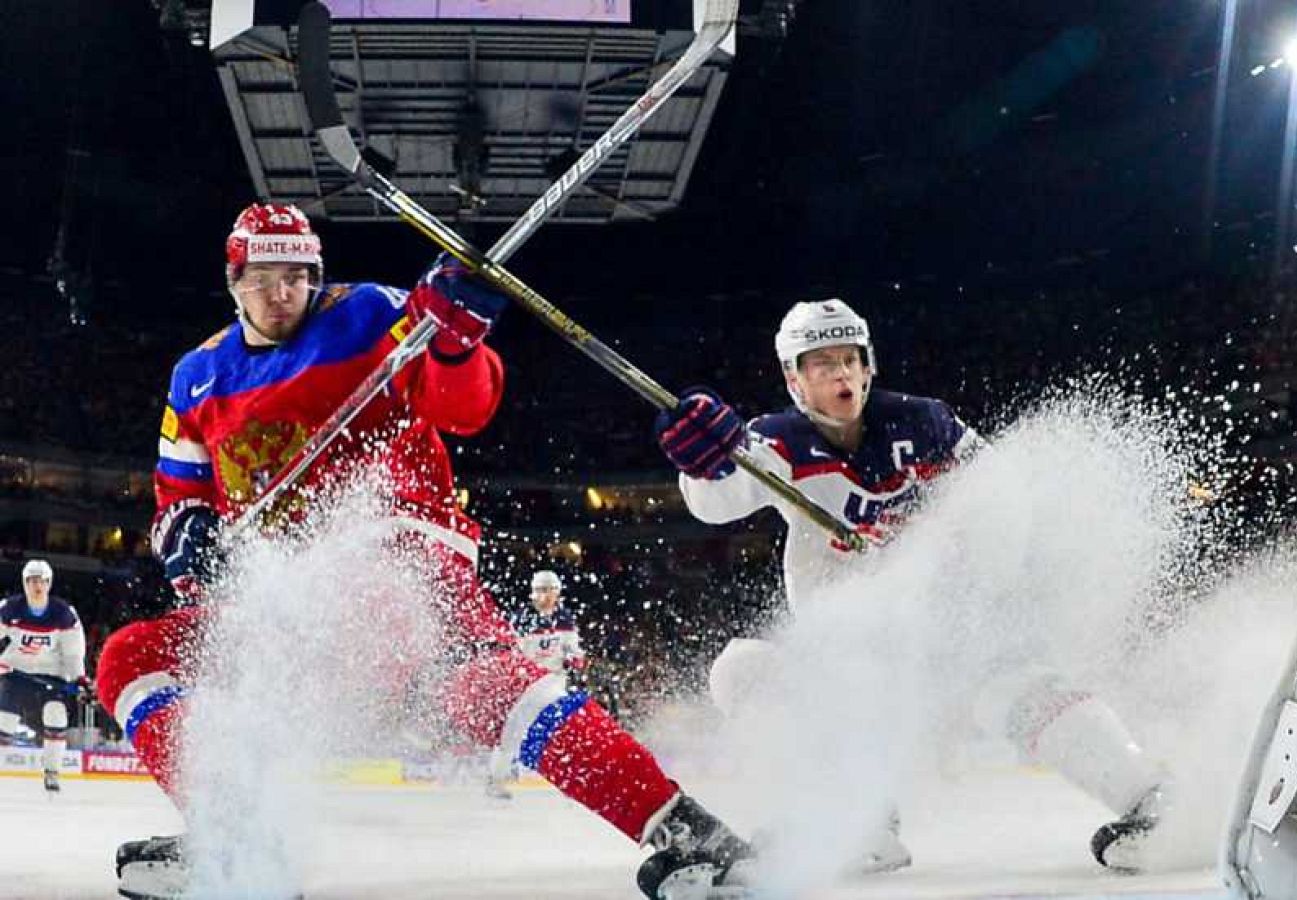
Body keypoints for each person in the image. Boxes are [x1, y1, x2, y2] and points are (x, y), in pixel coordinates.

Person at [95, 203, 752, 900]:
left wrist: (455, 346)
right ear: (234, 282)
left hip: (398, 550)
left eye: (297, 276)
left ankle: (685, 830)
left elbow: (462, 409)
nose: (281, 293)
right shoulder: (197, 375)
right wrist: (189, 538)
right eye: (262, 278)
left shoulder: (372, 313)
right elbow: (180, 495)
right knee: (130, 657)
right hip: (280, 589)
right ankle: (235, 842)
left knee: (480, 686)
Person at [652, 298, 1169, 872]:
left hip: (956, 623)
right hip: (855, 654)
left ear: (868, 365)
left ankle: (1151, 800)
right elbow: (719, 503)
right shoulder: (774, 442)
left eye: (850, 359)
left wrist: (955, 577)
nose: (842, 374)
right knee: (742, 669)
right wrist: (705, 465)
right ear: (794, 379)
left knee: (1013, 687)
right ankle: (859, 822)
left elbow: (1004, 497)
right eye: (822, 363)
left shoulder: (926, 422)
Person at [485, 569, 589, 799]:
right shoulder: (523, 619)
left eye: (550, 590)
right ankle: (496, 779)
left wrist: (575, 659)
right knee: (511, 733)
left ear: (557, 592)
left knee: (566, 729)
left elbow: (574, 650)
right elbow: (515, 652)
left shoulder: (565, 619)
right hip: (529, 686)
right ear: (533, 593)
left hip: (555, 684)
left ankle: (573, 783)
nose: (546, 595)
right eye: (541, 590)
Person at [0, 559, 89, 793]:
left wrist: (78, 678)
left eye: (42, 581)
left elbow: (73, 653)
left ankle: (52, 771)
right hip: (17, 673)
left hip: (53, 674)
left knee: (56, 715)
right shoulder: (9, 609)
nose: (37, 586)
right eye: (32, 581)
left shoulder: (64, 614)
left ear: (49, 584)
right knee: (4, 722)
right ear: (24, 583)